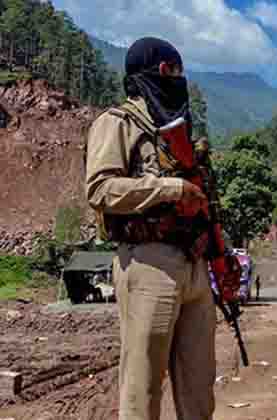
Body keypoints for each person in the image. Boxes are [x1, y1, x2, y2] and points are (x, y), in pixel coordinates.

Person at [84, 37, 217, 420]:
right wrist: (170, 189)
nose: (180, 81)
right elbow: (100, 189)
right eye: (176, 72)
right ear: (163, 71)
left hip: (193, 265)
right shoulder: (118, 122)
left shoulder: (178, 134)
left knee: (199, 391)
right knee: (142, 390)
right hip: (148, 264)